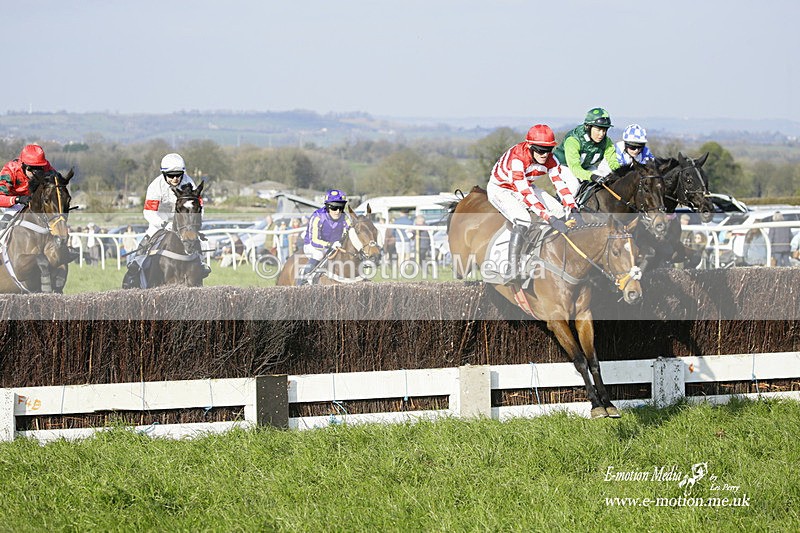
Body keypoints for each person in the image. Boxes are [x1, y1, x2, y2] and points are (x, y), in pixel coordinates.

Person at [487, 124, 579, 283]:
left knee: (559, 211)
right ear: (530, 146)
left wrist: (573, 208)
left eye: (548, 150)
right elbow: (526, 195)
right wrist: (549, 218)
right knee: (524, 219)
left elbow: (560, 184)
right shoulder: (518, 159)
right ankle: (512, 267)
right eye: (540, 150)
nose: (545, 155)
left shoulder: (551, 159)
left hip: (526, 185)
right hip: (501, 189)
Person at [123, 153, 210, 287]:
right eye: (171, 175)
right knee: (146, 242)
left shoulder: (189, 182)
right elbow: (149, 212)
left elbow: (199, 207)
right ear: (164, 174)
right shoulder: (155, 186)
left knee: (196, 240)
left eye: (178, 174)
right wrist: (164, 224)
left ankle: (202, 264)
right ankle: (134, 270)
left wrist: (194, 224)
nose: (175, 178)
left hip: (183, 223)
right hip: (159, 222)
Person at [553, 107, 621, 200]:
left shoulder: (607, 142)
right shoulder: (573, 140)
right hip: (564, 166)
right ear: (588, 127)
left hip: (585, 166)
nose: (601, 134)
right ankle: (560, 210)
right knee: (574, 186)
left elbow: (613, 162)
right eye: (598, 130)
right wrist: (591, 176)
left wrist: (623, 173)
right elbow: (575, 168)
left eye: (604, 130)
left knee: (604, 180)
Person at [297, 189, 353, 285]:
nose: (338, 211)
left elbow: (351, 232)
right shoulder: (318, 216)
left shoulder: (346, 217)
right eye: (334, 207)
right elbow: (314, 241)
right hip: (313, 245)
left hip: (335, 245)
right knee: (319, 254)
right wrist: (330, 245)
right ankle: (304, 276)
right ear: (327, 206)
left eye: (341, 207)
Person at [0, 144, 57, 227]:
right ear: (23, 165)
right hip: (13, 203)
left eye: (39, 168)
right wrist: (17, 199)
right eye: (32, 168)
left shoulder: (46, 167)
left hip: (35, 202)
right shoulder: (10, 170)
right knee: (6, 221)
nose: (36, 173)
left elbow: (59, 183)